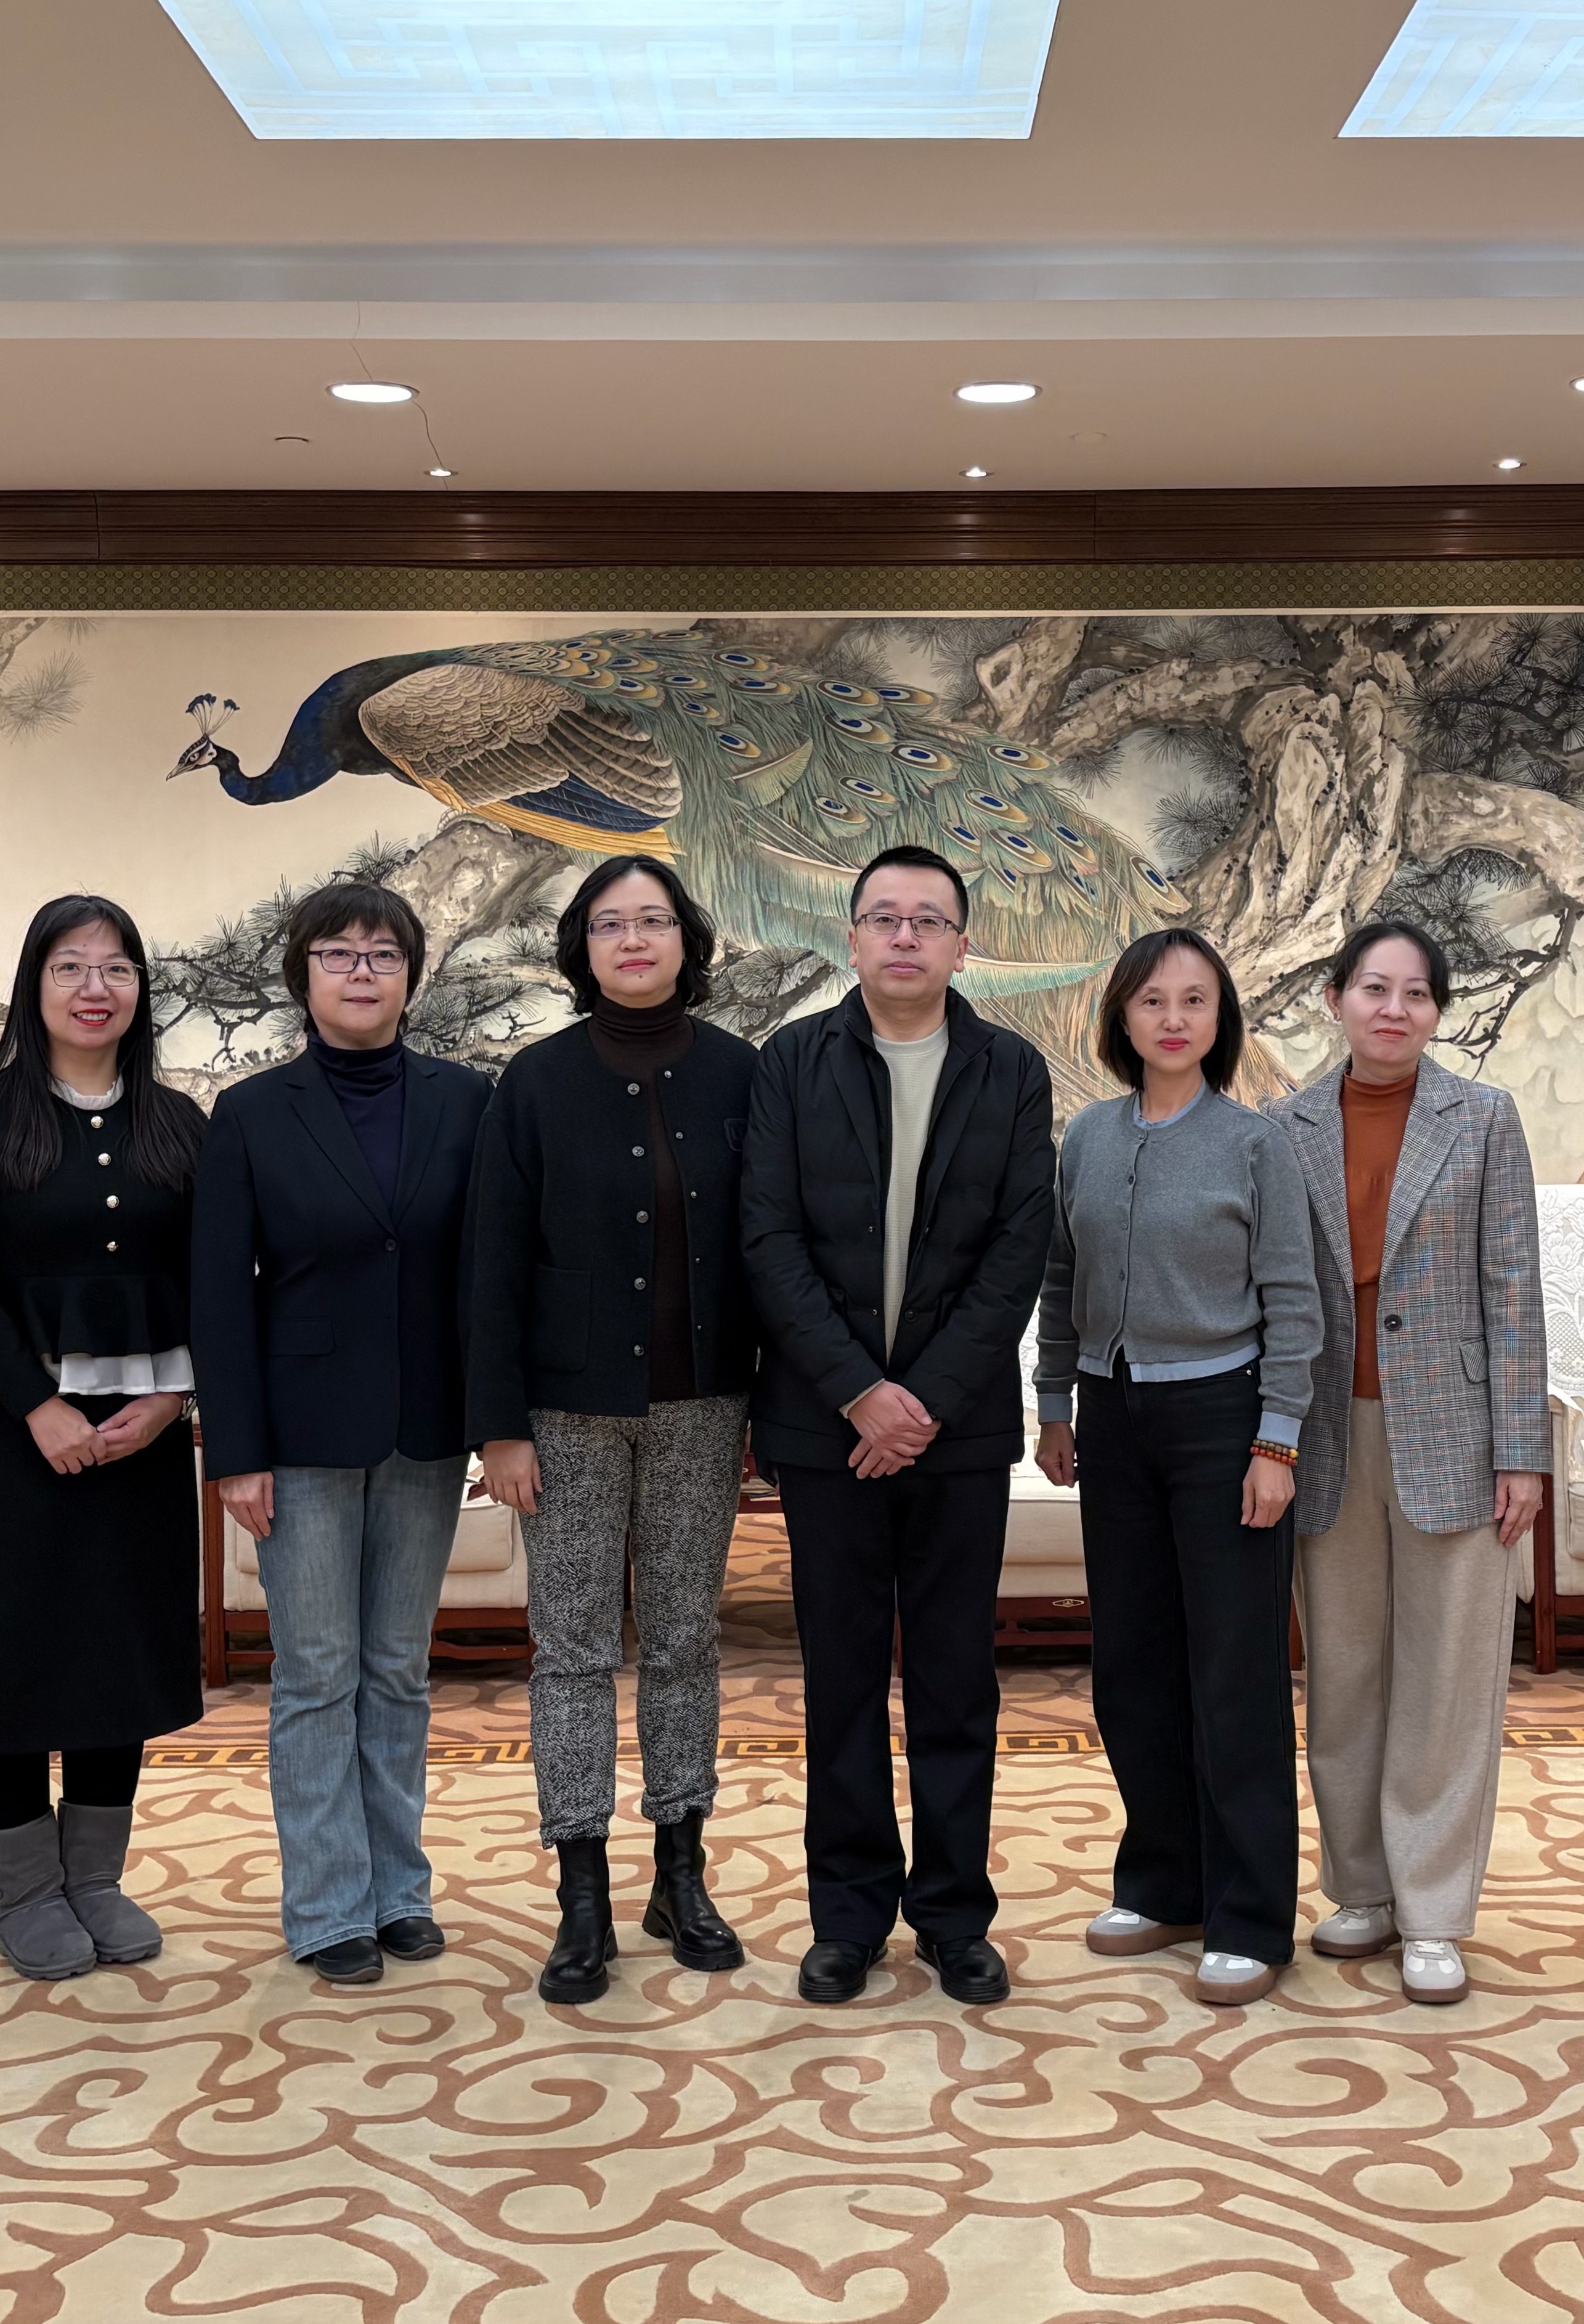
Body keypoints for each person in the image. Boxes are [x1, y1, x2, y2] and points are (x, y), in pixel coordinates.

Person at [744, 846, 1055, 2007]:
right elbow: (767, 1239)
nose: (906, 936)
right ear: (852, 939)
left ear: (963, 946)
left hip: (956, 1433)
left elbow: (1018, 1249)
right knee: (839, 1680)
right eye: (885, 918)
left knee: (954, 1681)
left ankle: (955, 1919)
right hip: (826, 1429)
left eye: (930, 920)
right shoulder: (793, 1062)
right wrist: (857, 1392)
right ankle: (848, 1918)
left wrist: (920, 1401)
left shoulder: (1011, 1069)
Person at [466, 855, 762, 2004]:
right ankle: (580, 1891)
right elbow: (492, 1263)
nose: (633, 940)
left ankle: (681, 1871)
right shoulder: (534, 1083)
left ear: (687, 940)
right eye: (608, 924)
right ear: (580, 949)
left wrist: (769, 1407)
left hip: (705, 1407)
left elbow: (771, 1248)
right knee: (575, 1650)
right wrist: (499, 1427)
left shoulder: (741, 1072)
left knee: (685, 1640)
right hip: (565, 1415)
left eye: (653, 920)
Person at [192, 882, 490, 1986]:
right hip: (300, 1436)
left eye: (383, 954)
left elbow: (485, 1272)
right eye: (338, 953)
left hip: (427, 1426)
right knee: (317, 1673)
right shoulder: (250, 1113)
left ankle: (399, 1891)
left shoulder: (468, 1100)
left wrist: (494, 1419)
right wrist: (236, 1451)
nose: (362, 972)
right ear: (302, 975)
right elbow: (219, 1294)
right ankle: (327, 1906)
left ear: (411, 976)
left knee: (398, 1669)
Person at [1264, 920, 1549, 2006]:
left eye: (1417, 993)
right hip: (1325, 1432)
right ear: (1335, 999)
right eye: (1374, 989)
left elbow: (1513, 1289)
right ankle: (1362, 1888)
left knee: (1446, 1679)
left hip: (1457, 1433)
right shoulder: (1282, 1127)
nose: (1394, 1010)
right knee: (1344, 1674)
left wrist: (1522, 1451)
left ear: (1437, 1011)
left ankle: (1432, 1908)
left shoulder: (1483, 1118)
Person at [0, 895, 208, 1980]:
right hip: (8, 1425)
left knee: (114, 1647)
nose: (97, 988)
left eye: (118, 968)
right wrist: (38, 1404)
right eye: (71, 968)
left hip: (143, 1424)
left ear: (141, 989)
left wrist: (174, 1399)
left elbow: (212, 1274)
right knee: (7, 1651)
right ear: (33, 986)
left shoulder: (178, 1124)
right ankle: (28, 1890)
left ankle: (96, 1879)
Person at [1034, 929, 1320, 2005]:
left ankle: (1250, 1915)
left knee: (1233, 1672)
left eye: (1195, 1000)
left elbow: (1293, 1300)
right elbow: (1061, 1279)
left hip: (1222, 1418)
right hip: (1112, 1417)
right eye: (1152, 1000)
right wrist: (1053, 1404)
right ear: (1121, 1015)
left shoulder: (1255, 1144)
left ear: (1220, 1020)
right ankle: (1163, 1884)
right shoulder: (1088, 1137)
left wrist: (1276, 1441)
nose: (1173, 1019)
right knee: (1133, 1664)